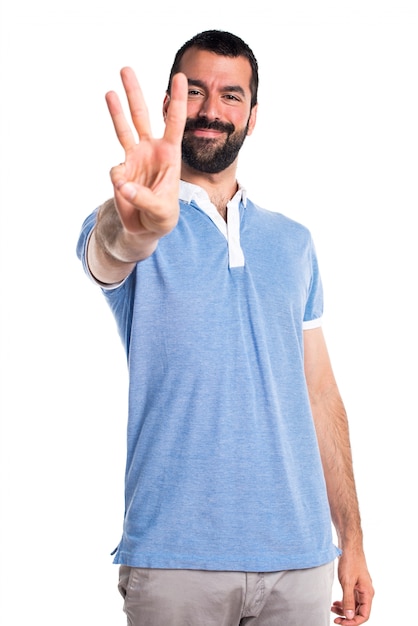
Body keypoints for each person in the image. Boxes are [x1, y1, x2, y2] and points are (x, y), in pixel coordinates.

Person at [77, 29, 374, 626]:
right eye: (194, 92)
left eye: (231, 96)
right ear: (168, 105)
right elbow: (111, 250)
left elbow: (318, 393)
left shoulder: (293, 243)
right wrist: (138, 225)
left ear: (253, 115)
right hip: (175, 563)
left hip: (301, 561)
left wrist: (353, 539)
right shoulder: (128, 219)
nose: (211, 111)